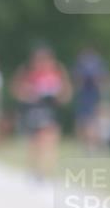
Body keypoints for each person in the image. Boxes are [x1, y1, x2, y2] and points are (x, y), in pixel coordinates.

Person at [10, 45, 71, 179]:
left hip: (50, 109)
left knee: (50, 139)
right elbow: (17, 90)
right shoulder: (27, 71)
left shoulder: (57, 70)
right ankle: (34, 169)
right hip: (33, 109)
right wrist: (30, 94)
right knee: (34, 141)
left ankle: (45, 171)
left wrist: (58, 97)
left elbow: (66, 91)